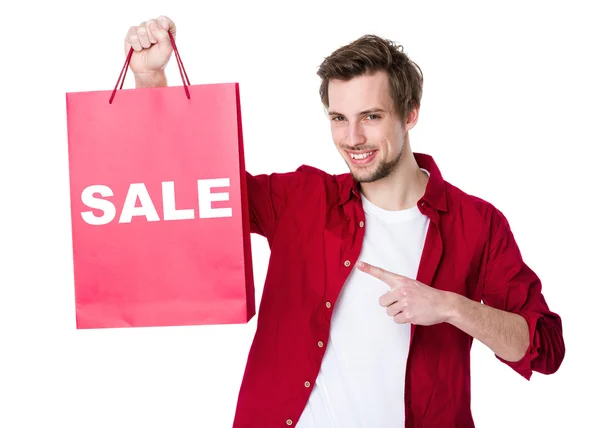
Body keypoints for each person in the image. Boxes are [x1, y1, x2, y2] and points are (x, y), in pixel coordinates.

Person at [122, 15, 565, 428]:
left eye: (371, 117)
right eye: (339, 119)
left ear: (410, 114)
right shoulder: (299, 200)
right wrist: (150, 80)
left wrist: (450, 307)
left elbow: (544, 349)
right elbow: (189, 190)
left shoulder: (478, 224)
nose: (353, 139)